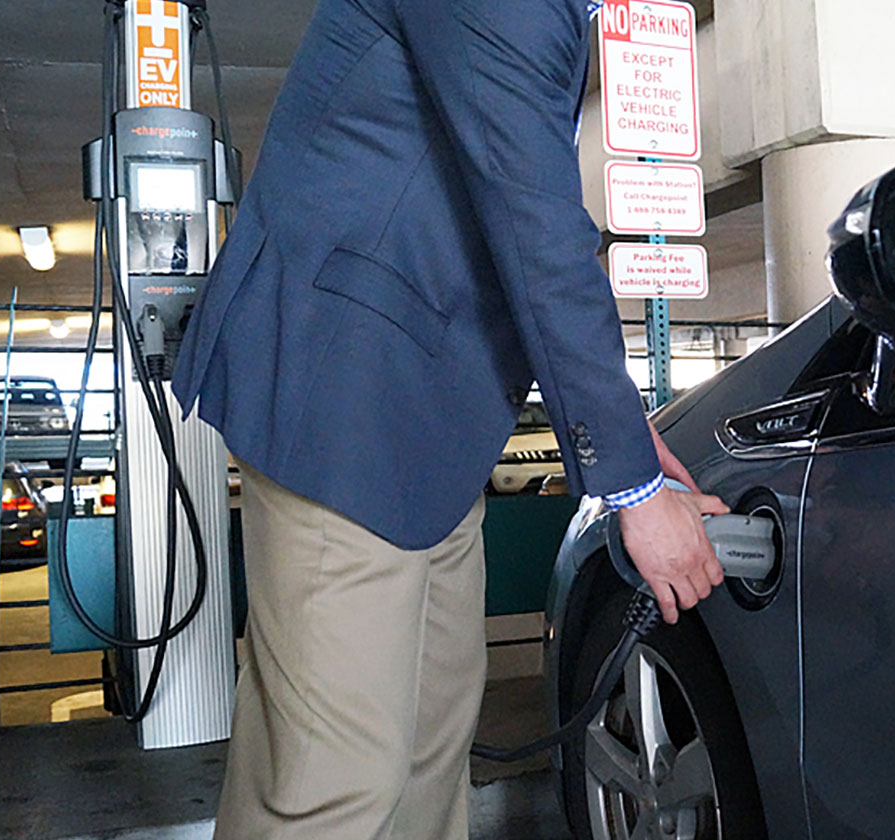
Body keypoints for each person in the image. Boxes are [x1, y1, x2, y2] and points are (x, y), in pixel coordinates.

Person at [171, 0, 728, 836]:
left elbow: (499, 223)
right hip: (349, 404)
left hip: (427, 423)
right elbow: (534, 224)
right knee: (341, 780)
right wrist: (634, 486)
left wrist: (624, 431)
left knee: (426, 767)